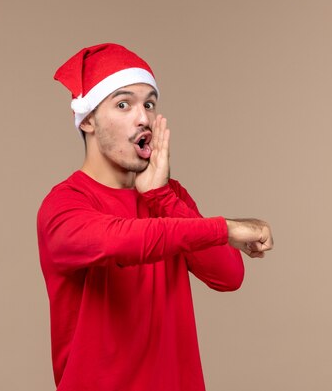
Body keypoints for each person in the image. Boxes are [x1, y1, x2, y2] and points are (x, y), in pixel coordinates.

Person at [37, 43, 274, 391]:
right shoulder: (64, 206)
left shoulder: (166, 196)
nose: (144, 118)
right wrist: (225, 228)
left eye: (149, 103)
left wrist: (162, 197)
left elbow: (228, 275)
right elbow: (121, 241)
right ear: (87, 119)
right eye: (123, 104)